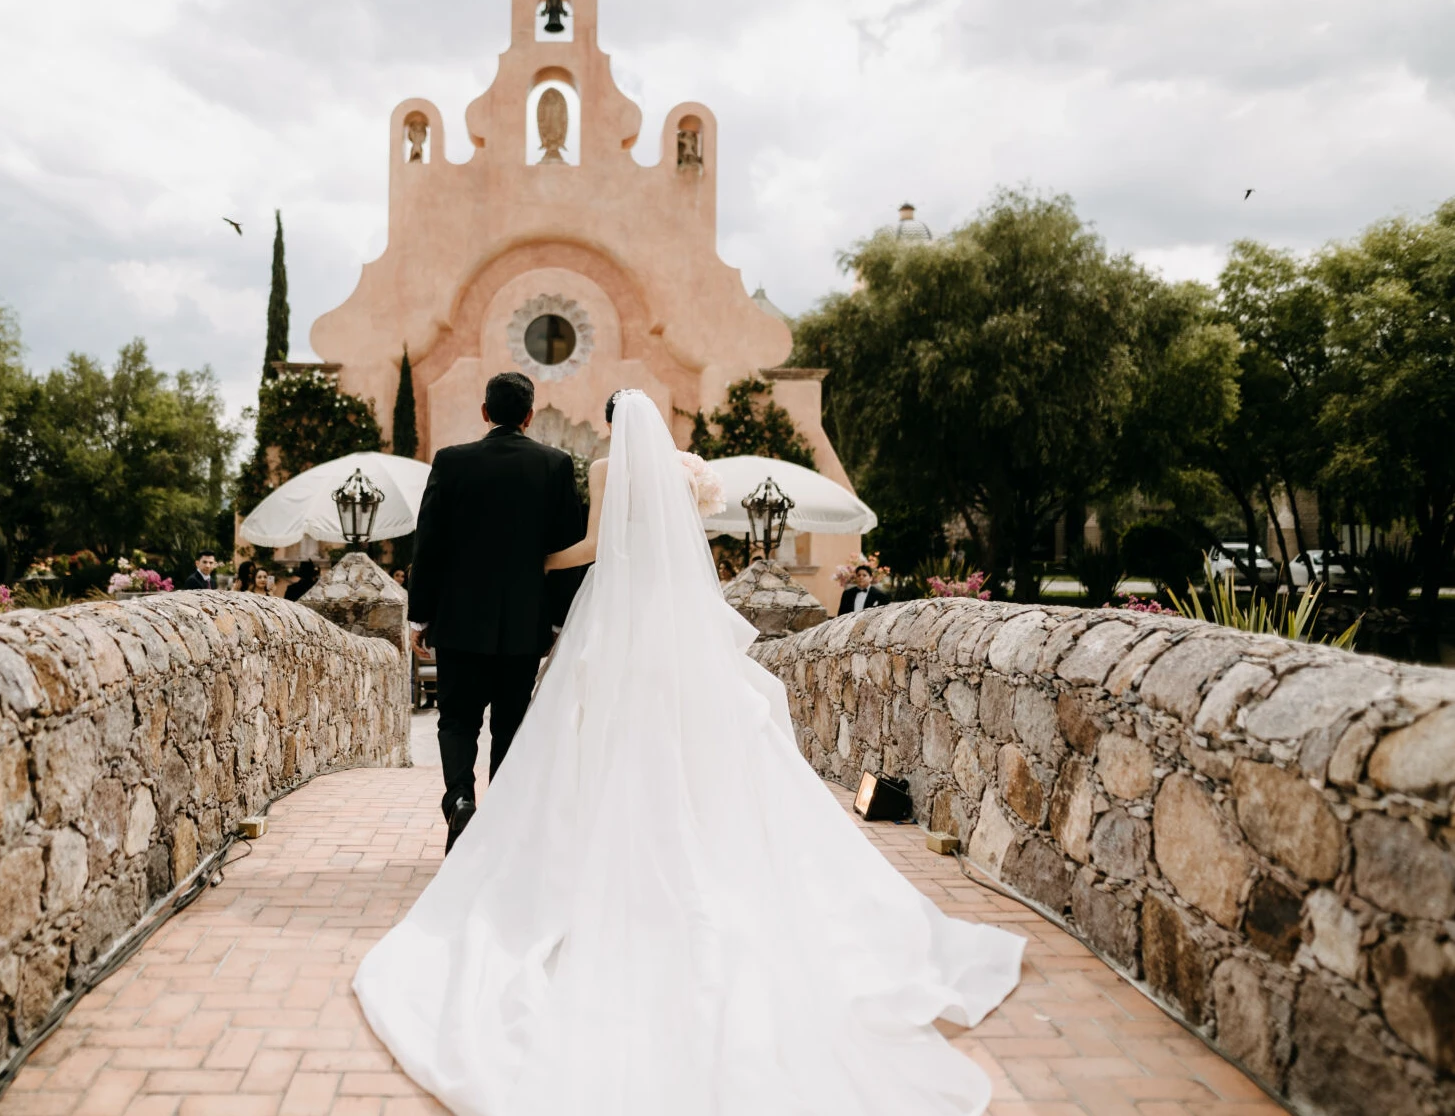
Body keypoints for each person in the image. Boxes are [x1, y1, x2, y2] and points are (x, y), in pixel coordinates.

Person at [354, 389, 1023, 1115]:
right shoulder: (660, 473)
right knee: (624, 726)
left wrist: (499, 574)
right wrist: (530, 580)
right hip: (664, 622)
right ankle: (673, 831)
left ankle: (480, 807)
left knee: (530, 724)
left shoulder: (582, 467)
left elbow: (582, 547)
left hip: (595, 615)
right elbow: (649, 545)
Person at [407, 371, 586, 852]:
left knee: (457, 720)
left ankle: (460, 801)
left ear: (485, 412)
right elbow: (569, 548)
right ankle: (502, 826)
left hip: (460, 622)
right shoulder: (555, 465)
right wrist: (554, 620)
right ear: (529, 416)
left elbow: (428, 545)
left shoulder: (452, 462)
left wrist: (419, 616)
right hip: (523, 626)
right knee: (510, 722)